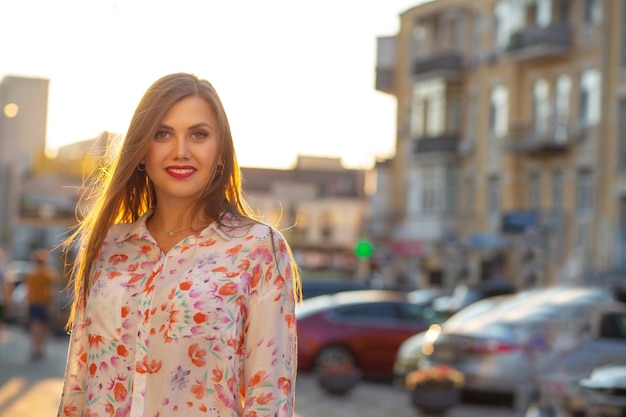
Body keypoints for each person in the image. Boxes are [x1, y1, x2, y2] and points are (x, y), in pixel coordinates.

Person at [57, 73, 301, 417]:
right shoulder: (108, 246)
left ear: (220, 153)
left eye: (198, 134)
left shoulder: (258, 249)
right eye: (162, 133)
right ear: (141, 150)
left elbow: (269, 400)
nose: (181, 151)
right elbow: (79, 383)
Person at [25, 248, 58, 359]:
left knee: (35, 325)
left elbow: (28, 290)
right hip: (45, 303)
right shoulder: (49, 274)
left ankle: (35, 347)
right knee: (44, 326)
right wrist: (51, 304)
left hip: (34, 302)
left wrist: (26, 303)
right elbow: (52, 291)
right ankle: (41, 347)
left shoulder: (32, 274)